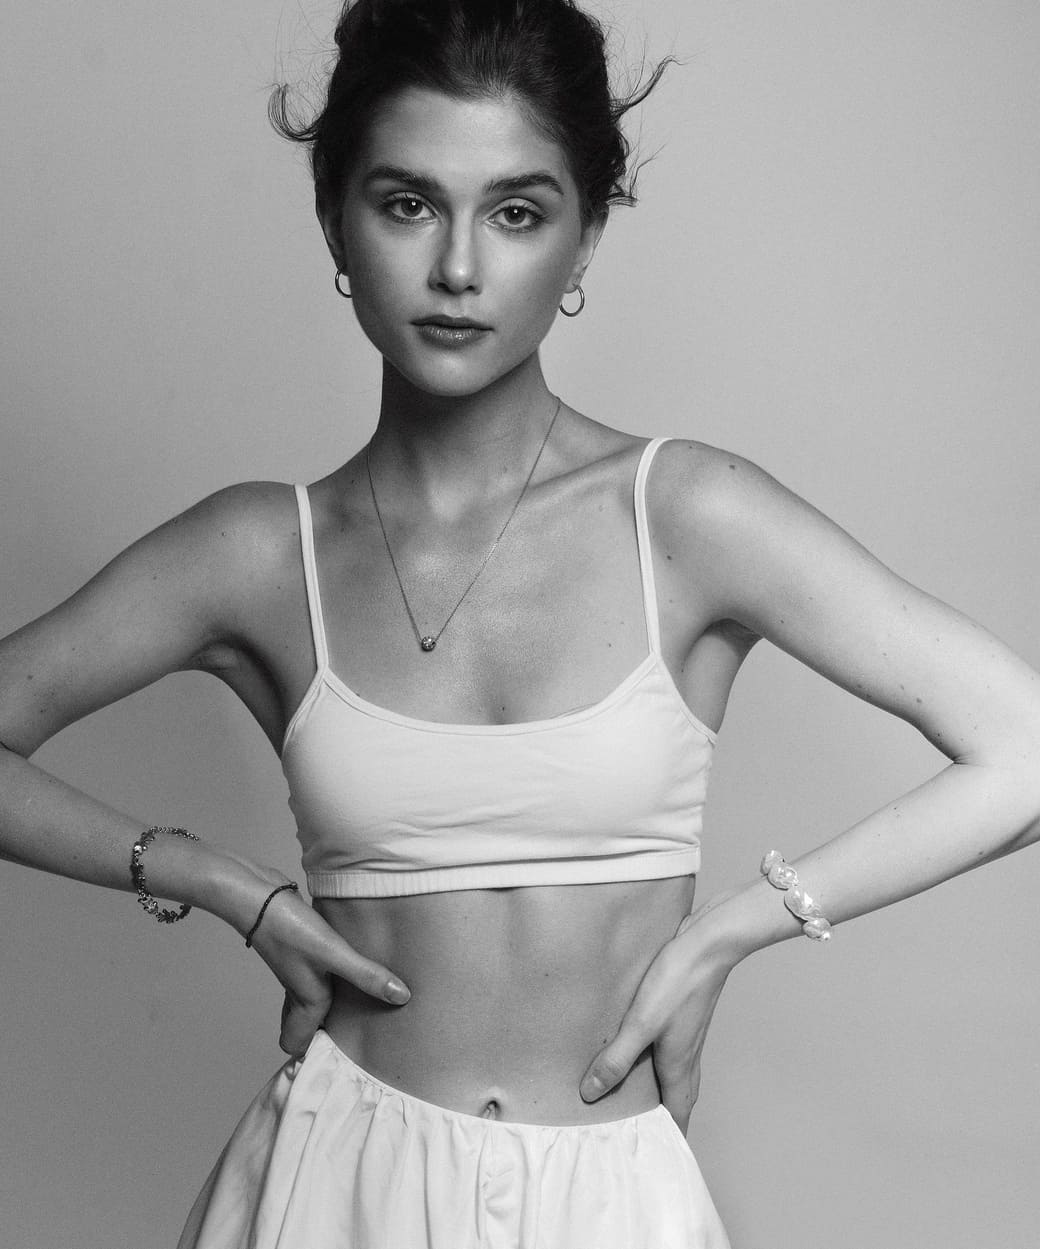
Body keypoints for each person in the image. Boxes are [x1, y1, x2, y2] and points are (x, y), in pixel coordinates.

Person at [2, 1, 1038, 1246]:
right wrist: (210, 879)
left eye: (514, 212)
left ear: (584, 234)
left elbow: (1021, 751)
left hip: (610, 1202)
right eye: (406, 203)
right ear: (334, 218)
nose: (456, 268)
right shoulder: (260, 553)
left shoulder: (685, 516)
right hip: (331, 1187)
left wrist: (734, 930)